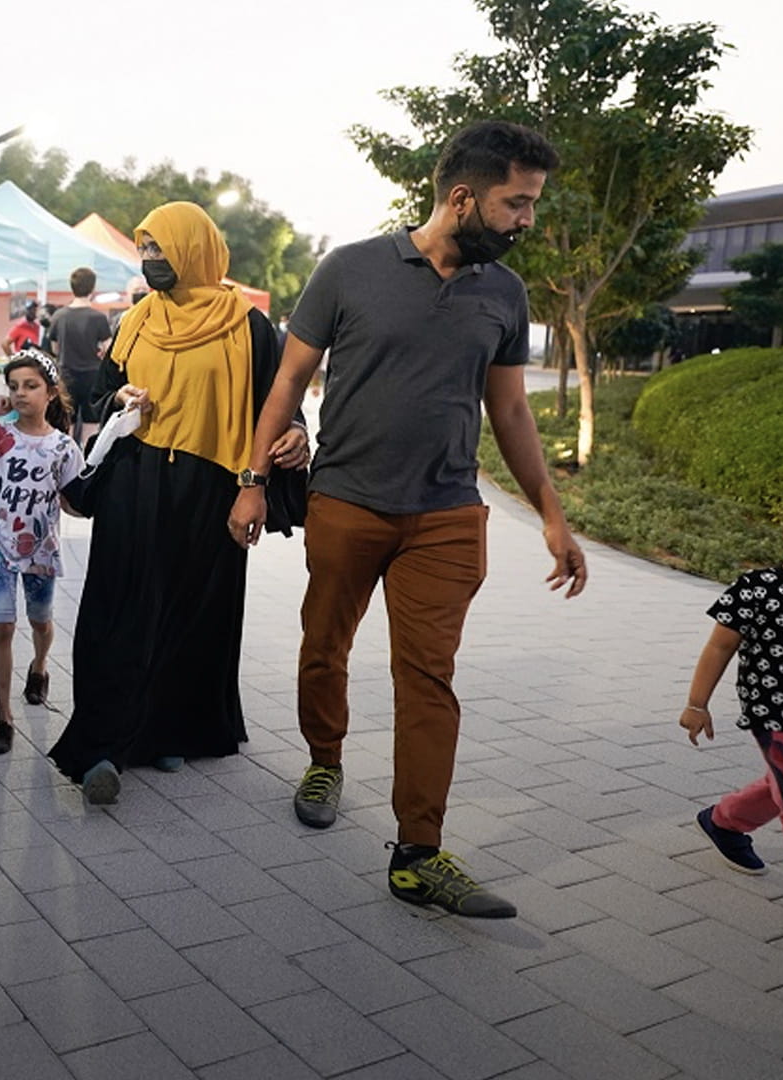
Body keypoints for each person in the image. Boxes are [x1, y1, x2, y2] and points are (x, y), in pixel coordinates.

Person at [231, 120, 588, 919]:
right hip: (347, 501)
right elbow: (287, 383)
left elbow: (511, 412)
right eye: (517, 203)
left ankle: (418, 853)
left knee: (428, 677)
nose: (527, 220)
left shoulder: (504, 293)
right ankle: (324, 759)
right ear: (463, 197)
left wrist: (552, 516)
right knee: (324, 643)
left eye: (531, 204)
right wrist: (252, 481)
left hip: (447, 514)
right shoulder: (349, 269)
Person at [48, 202, 310, 804]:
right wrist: (119, 400)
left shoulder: (247, 326)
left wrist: (294, 436)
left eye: (160, 248)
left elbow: (277, 401)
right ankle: (101, 744)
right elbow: (100, 394)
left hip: (211, 486)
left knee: (194, 609)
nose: (150, 259)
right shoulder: (137, 320)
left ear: (194, 250)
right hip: (135, 482)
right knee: (119, 606)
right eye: (145, 249)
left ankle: (174, 731)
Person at [0, 350, 84, 755]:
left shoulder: (63, 447)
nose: (20, 393)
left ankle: (39, 666)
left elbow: (73, 503)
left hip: (41, 548)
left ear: (50, 392)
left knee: (40, 621)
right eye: (13, 386)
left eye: (30, 386)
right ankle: (4, 716)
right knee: (2, 626)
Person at [681, 484, 783, 901]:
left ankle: (724, 822)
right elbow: (719, 646)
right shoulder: (757, 587)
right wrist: (697, 704)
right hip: (779, 715)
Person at [49, 267, 115, 442]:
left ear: (72, 287)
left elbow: (55, 349)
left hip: (66, 375)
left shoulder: (59, 316)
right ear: (92, 287)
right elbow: (109, 349)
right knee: (90, 424)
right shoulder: (98, 317)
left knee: (66, 422)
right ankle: (86, 457)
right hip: (92, 377)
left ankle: (64, 456)